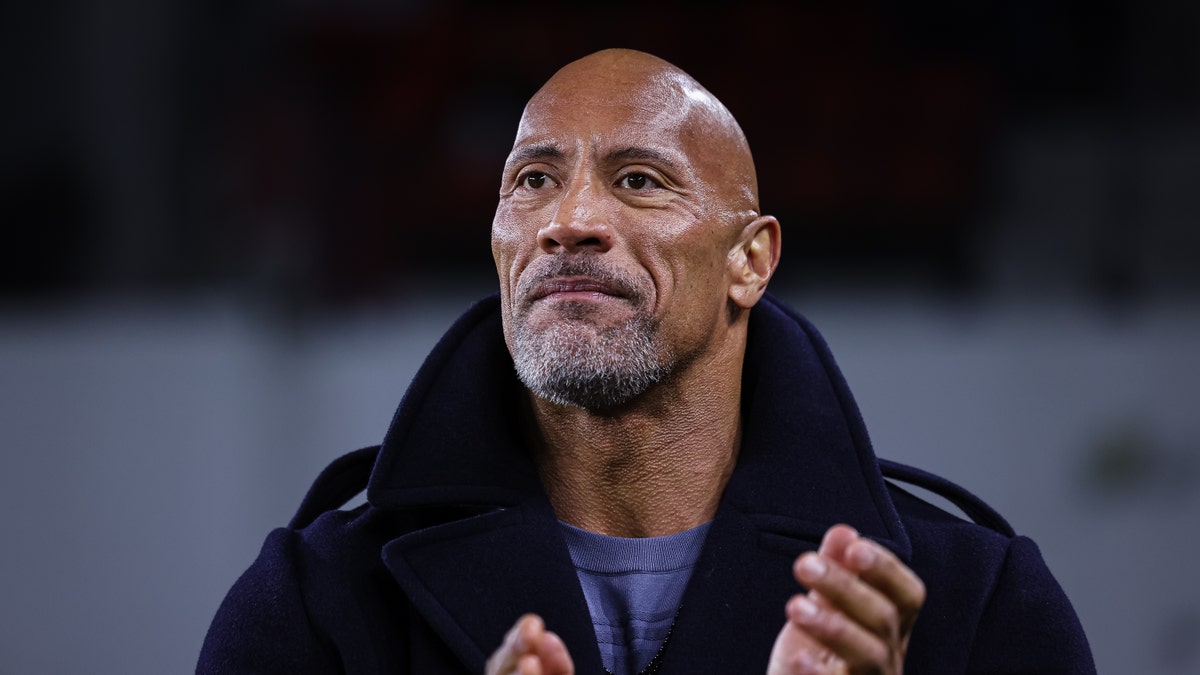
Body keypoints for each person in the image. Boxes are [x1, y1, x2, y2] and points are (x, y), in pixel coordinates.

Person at [198, 49, 1095, 674]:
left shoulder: (976, 603)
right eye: (532, 179)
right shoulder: (313, 605)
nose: (567, 219)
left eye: (638, 179)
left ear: (751, 260)